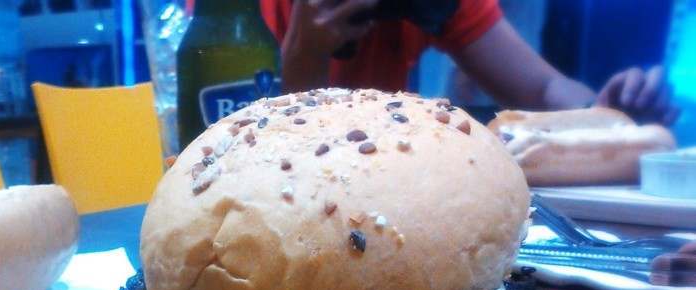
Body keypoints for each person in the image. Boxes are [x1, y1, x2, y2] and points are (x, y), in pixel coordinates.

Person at [261, 0, 678, 125]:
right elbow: (259, 159)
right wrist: (306, 51)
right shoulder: (228, 16)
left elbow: (543, 90)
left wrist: (605, 113)